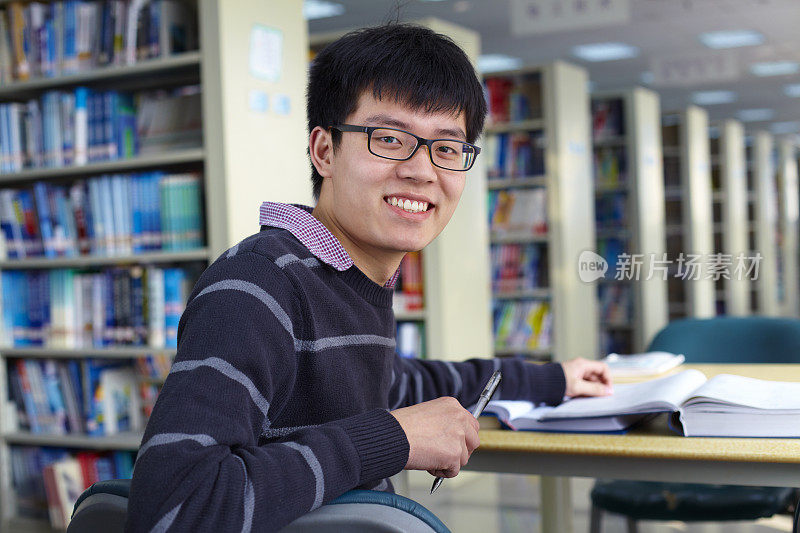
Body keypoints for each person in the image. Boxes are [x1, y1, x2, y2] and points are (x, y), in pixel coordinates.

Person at [126, 23, 612, 532]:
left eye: (446, 148)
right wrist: (391, 439)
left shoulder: (348, 280)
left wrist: (555, 379)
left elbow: (400, 382)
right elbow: (173, 510)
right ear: (324, 151)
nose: (422, 170)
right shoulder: (258, 285)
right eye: (390, 139)